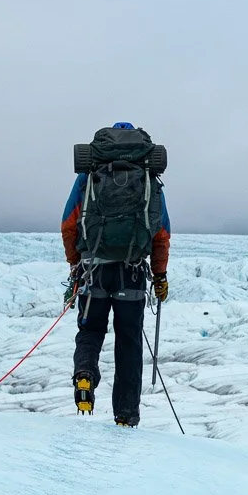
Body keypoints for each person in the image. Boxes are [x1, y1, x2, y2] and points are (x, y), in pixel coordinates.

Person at [61, 122, 170, 427]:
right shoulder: (148, 178)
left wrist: (76, 265)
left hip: (93, 269)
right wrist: (159, 276)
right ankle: (126, 415)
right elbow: (161, 234)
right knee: (129, 342)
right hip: (132, 273)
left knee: (91, 331)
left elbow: (69, 225)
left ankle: (84, 374)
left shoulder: (89, 176)